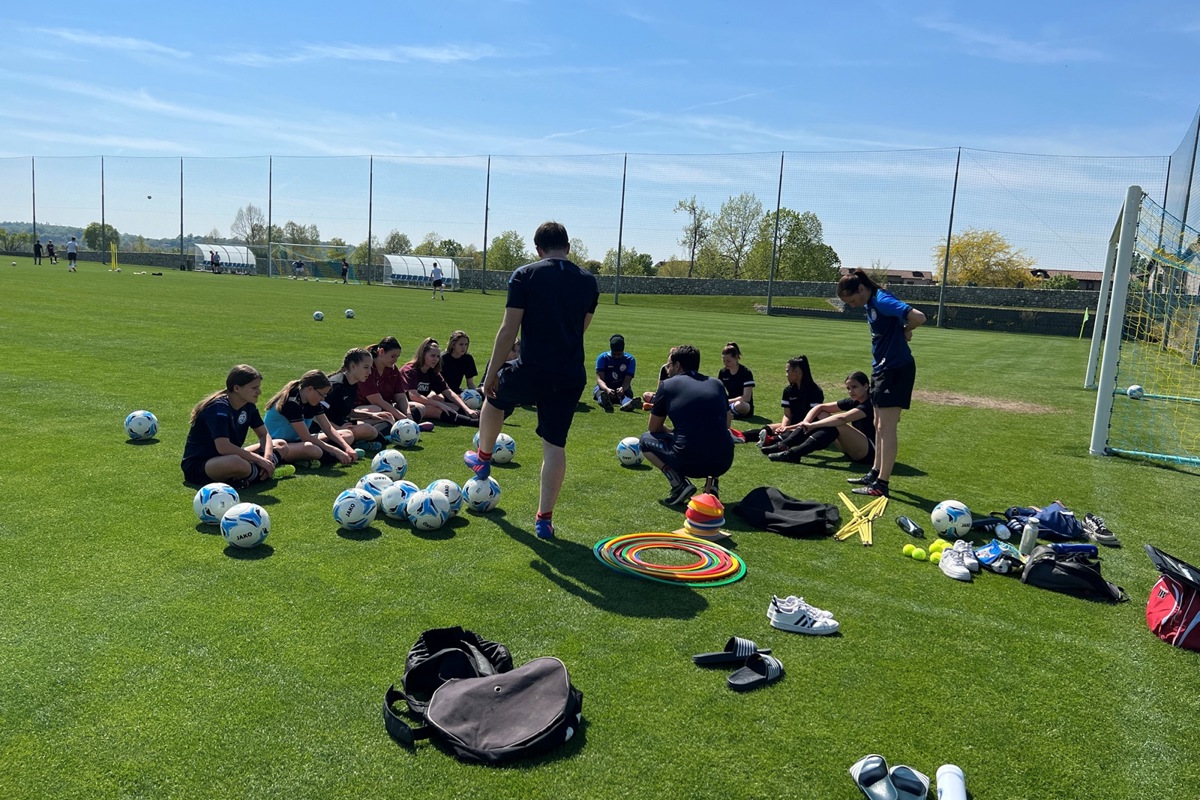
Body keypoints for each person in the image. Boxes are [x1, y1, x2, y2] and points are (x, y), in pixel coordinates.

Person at [464, 221, 599, 539]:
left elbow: (508, 330)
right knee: (554, 446)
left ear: (537, 249)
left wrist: (492, 371)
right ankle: (544, 519)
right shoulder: (589, 281)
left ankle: (483, 460)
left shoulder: (525, 274)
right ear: (568, 247)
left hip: (532, 367)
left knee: (493, 400)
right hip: (570, 374)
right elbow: (582, 327)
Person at [836, 269, 927, 497]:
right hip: (881, 368)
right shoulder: (870, 302)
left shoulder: (882, 299)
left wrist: (906, 330)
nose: (853, 305)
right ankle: (875, 472)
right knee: (878, 424)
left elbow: (919, 316)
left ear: (861, 289)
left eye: (853, 300)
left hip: (896, 369)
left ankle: (881, 484)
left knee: (887, 428)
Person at [639, 344, 734, 504]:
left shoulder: (668, 385)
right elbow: (726, 424)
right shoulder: (716, 384)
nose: (667, 369)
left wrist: (673, 434)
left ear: (677, 365)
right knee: (715, 435)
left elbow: (653, 428)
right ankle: (711, 486)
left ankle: (679, 484)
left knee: (645, 440)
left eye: (669, 365)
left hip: (689, 461)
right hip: (724, 460)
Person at [180, 364, 296, 488]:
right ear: (236, 388)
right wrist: (258, 459)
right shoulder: (218, 408)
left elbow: (264, 434)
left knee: (280, 444)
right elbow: (223, 447)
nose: (259, 392)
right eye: (254, 388)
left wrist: (268, 458)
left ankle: (255, 473)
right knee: (235, 462)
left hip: (227, 457)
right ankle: (261, 475)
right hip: (200, 465)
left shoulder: (248, 406)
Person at [765, 371, 875, 466]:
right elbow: (820, 407)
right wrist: (806, 422)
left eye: (854, 387)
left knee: (836, 423)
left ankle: (793, 453)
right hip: (852, 450)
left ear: (866, 386)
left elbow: (842, 418)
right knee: (823, 414)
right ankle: (785, 445)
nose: (851, 391)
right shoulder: (853, 401)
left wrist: (812, 425)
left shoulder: (871, 404)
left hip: (869, 453)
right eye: (848, 388)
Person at [263, 370, 360, 466]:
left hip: (298, 441)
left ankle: (314, 458)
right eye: (322, 394)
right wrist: (336, 451)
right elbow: (306, 437)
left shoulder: (313, 401)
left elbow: (328, 428)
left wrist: (347, 448)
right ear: (310, 389)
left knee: (347, 435)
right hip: (279, 445)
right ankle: (329, 457)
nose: (323, 399)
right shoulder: (291, 402)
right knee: (312, 449)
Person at [740, 355, 824, 447]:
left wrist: (787, 428)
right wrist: (783, 427)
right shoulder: (788, 390)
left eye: (787, 371)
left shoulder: (815, 391)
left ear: (796, 371)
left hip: (808, 427)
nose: (786, 374)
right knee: (766, 429)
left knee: (790, 434)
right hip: (792, 425)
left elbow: (810, 421)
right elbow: (787, 415)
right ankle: (740, 435)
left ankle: (771, 441)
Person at [399, 337, 478, 425]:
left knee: (454, 407)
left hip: (420, 403)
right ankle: (475, 423)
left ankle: (479, 416)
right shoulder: (409, 370)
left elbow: (448, 392)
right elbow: (414, 396)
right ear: (423, 354)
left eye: (437, 356)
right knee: (436, 409)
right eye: (432, 356)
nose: (435, 359)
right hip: (404, 405)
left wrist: (467, 409)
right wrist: (439, 404)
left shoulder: (432, 371)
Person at [324, 348, 389, 451]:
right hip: (326, 429)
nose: (370, 372)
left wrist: (371, 415)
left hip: (342, 424)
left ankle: (359, 443)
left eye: (371, 368)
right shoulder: (335, 385)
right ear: (353, 366)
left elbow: (347, 411)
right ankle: (355, 444)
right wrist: (337, 428)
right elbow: (316, 416)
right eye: (366, 367)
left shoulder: (353, 384)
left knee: (386, 419)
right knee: (368, 430)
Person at [357, 336, 419, 425]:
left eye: (397, 357)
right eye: (393, 356)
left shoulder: (392, 370)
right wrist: (403, 418)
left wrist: (408, 414)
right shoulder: (368, 369)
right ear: (381, 352)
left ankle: (395, 423)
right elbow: (376, 400)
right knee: (376, 409)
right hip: (363, 408)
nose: (395, 360)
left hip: (385, 406)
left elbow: (401, 396)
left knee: (419, 407)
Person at [594, 334, 638, 412]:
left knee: (625, 396)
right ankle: (606, 403)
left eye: (619, 354)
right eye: (614, 354)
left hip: (622, 388)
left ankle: (627, 404)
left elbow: (627, 381)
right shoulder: (602, 358)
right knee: (601, 394)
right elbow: (600, 379)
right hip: (604, 387)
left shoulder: (630, 360)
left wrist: (622, 388)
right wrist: (607, 389)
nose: (617, 356)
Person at [718, 342, 755, 417]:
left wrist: (727, 402)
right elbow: (719, 391)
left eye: (728, 361)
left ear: (736, 357)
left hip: (743, 405)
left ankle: (727, 413)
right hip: (729, 403)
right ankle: (729, 413)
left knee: (740, 405)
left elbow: (746, 398)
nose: (725, 363)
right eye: (724, 361)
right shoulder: (723, 372)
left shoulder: (746, 372)